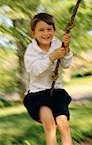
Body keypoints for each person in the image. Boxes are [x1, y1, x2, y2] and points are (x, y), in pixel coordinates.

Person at [23, 13, 73, 145]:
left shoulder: (58, 44)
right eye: (41, 30)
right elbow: (34, 71)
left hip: (56, 92)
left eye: (49, 29)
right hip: (37, 94)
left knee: (64, 124)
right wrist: (51, 57)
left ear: (54, 31)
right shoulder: (31, 50)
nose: (46, 33)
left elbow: (66, 65)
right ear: (33, 33)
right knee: (50, 125)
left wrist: (66, 50)